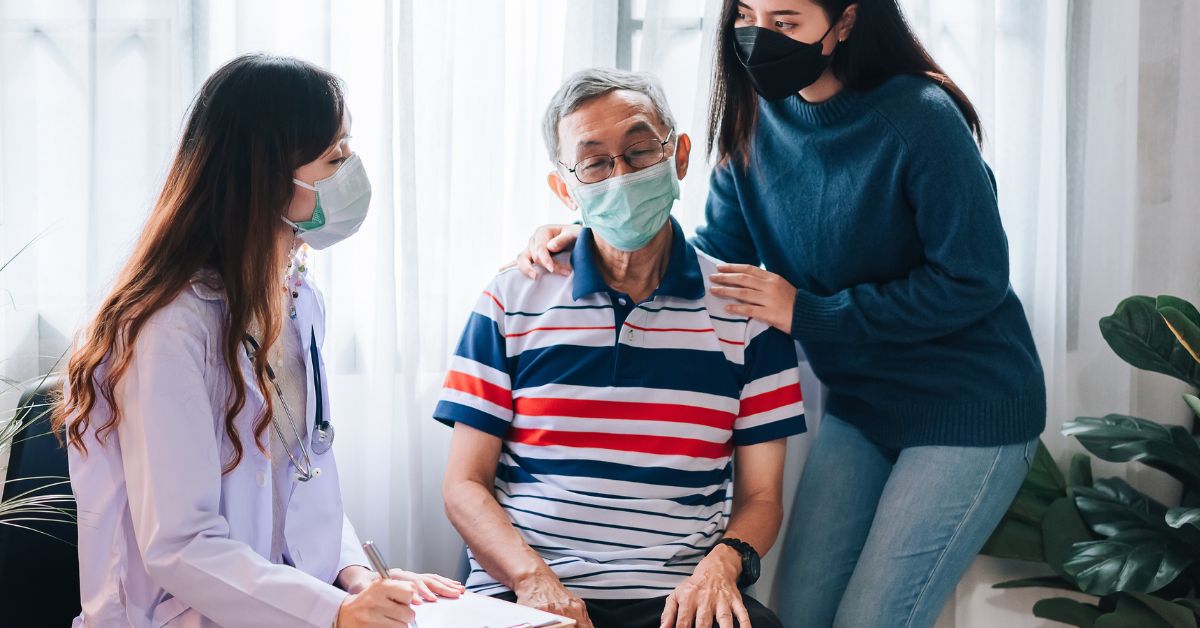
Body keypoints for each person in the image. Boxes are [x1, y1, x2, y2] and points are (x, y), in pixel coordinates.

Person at [512, 1, 1047, 626]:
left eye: (785, 21)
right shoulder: (753, 119)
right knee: (799, 614)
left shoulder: (920, 117)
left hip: (968, 405)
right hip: (861, 406)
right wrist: (594, 232)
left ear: (844, 22)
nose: (758, 37)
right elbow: (716, 262)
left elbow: (973, 279)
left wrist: (811, 314)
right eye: (746, 15)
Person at [54, 53, 463, 627]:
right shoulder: (169, 326)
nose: (352, 172)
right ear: (267, 175)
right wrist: (336, 613)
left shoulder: (295, 298)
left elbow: (302, 473)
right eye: (334, 157)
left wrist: (358, 579)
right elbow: (180, 545)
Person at [437, 68, 807, 628]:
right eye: (594, 162)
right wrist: (534, 583)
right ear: (566, 188)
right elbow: (463, 485)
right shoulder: (511, 297)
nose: (621, 176)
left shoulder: (747, 315)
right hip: (528, 587)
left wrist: (721, 566)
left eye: (639, 151)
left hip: (679, 599)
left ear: (679, 156)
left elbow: (761, 497)